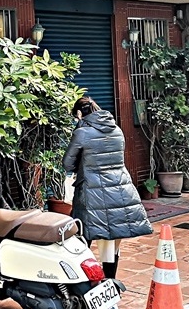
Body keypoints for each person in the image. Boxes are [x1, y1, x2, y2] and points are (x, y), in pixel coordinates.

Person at [61, 95, 153, 281]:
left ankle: (84, 283)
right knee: (112, 242)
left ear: (79, 113)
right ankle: (110, 283)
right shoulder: (116, 129)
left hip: (92, 193)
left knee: (84, 236)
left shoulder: (82, 132)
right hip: (121, 189)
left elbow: (67, 164)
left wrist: (79, 129)